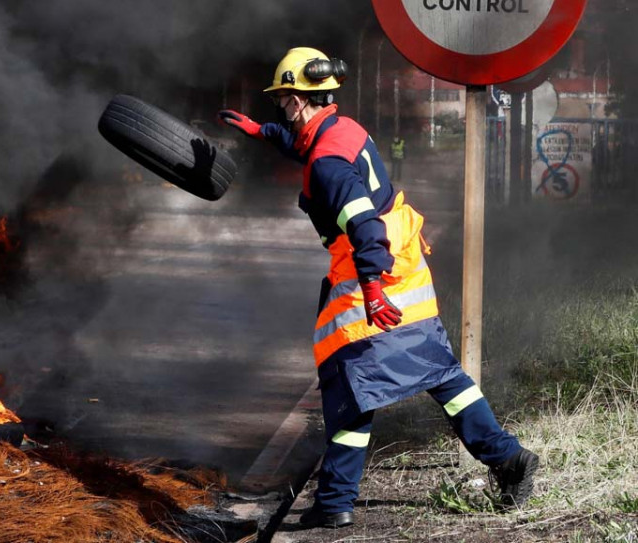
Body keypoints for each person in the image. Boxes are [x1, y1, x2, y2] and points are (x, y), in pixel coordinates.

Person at [218, 47, 538, 529]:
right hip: (404, 266)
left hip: (376, 272)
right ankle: (509, 459)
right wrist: (262, 133)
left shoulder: (327, 164)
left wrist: (370, 287)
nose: (282, 109)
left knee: (347, 376)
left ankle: (335, 503)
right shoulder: (340, 128)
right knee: (439, 373)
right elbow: (306, 145)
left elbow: (364, 225)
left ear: (302, 101)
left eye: (284, 102)